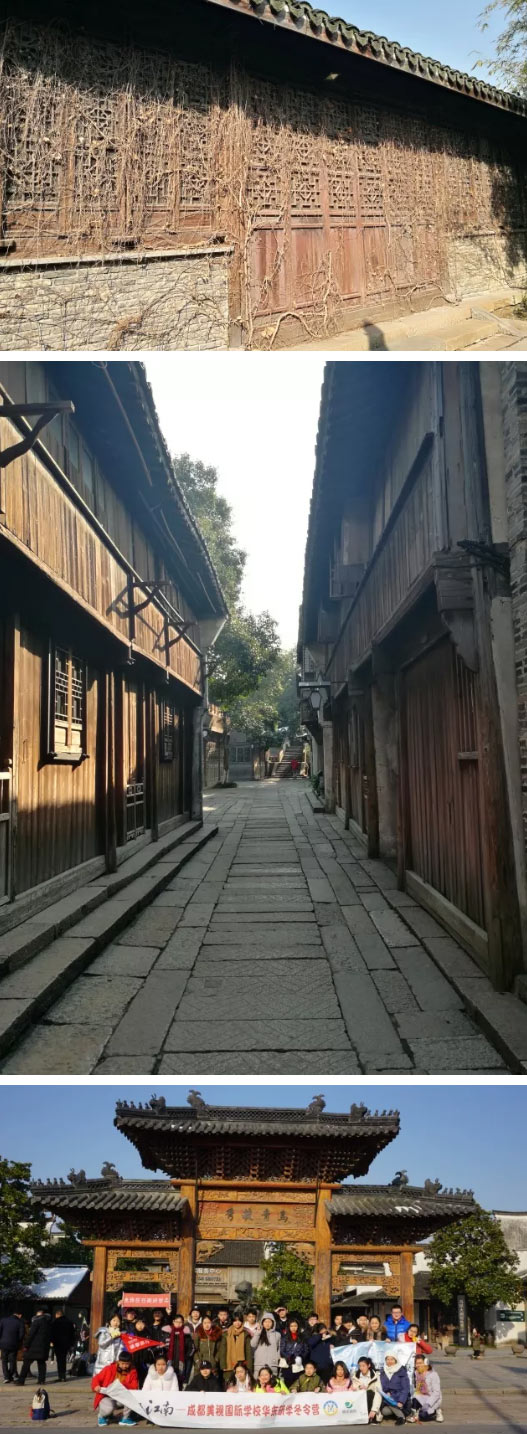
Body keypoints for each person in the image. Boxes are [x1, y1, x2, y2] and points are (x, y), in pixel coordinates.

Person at [92, 1349, 139, 1427]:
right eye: (122, 1363)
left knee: (132, 1397)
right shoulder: (109, 1369)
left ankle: (125, 1418)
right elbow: (96, 1378)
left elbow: (134, 1387)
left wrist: (123, 1385)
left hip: (121, 1396)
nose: (124, 1366)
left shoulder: (133, 1371)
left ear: (130, 1363)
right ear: (118, 1362)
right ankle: (101, 1416)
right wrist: (96, 1386)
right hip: (107, 1396)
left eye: (127, 1364)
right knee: (109, 1408)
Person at [16, 1308, 52, 1386]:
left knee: (26, 1363)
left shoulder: (36, 1322)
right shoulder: (48, 1323)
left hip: (33, 1347)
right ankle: (41, 1380)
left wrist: (26, 1345)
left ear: (38, 1314)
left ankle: (21, 1380)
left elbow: (31, 1335)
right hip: (43, 1347)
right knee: (41, 1364)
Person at [218, 1313, 253, 1384]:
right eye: (235, 1321)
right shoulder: (226, 1334)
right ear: (232, 1322)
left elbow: (248, 1352)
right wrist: (223, 1365)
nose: (237, 1323)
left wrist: (249, 1367)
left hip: (241, 1364)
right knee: (229, 1384)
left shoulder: (246, 1334)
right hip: (228, 1364)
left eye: (239, 1320)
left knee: (241, 1384)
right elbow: (223, 1351)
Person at [380, 1350, 411, 1424]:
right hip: (388, 1399)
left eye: (392, 1359)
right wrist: (386, 1392)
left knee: (392, 1402)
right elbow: (382, 1386)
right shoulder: (383, 1372)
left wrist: (401, 1401)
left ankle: (401, 1417)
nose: (390, 1361)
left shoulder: (401, 1371)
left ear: (396, 1360)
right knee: (384, 1411)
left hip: (400, 1398)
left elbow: (405, 1389)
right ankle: (399, 1412)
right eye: (388, 1359)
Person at [409, 1356, 443, 1423]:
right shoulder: (416, 1373)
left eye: (420, 1363)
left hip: (433, 1399)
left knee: (423, 1416)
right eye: (417, 1363)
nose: (418, 1365)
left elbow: (437, 1393)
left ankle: (437, 1411)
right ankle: (415, 1415)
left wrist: (428, 1403)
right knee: (414, 1397)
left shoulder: (433, 1374)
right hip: (423, 1396)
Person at [351, 1356, 383, 1422]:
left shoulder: (375, 1376)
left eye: (363, 1366)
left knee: (369, 1392)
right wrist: (359, 1388)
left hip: (371, 1402)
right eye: (360, 1366)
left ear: (369, 1365)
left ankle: (371, 1415)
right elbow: (354, 1391)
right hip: (359, 1401)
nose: (361, 1368)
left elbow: (378, 1393)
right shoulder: (355, 1376)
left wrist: (374, 1410)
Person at [251, 1313, 281, 1379]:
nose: (267, 1324)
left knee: (272, 1383)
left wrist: (277, 1358)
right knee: (259, 1383)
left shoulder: (277, 1335)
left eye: (269, 1322)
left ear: (273, 1323)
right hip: (259, 1364)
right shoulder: (258, 1333)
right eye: (265, 1322)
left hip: (272, 1364)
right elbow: (253, 1344)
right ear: (262, 1323)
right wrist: (258, 1333)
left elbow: (279, 1349)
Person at [168, 1314, 195, 1386]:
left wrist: (187, 1357)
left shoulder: (186, 1334)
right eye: (176, 1321)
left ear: (183, 1323)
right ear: (173, 1322)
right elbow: (164, 1346)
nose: (178, 1323)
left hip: (182, 1361)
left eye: (180, 1322)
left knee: (180, 1380)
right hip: (171, 1361)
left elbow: (192, 1347)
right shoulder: (168, 1333)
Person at [0, 1309, 25, 1384]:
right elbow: (21, 1334)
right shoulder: (20, 1322)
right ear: (19, 1315)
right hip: (14, 1344)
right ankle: (10, 1375)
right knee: (12, 1360)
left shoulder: (3, 1320)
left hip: (3, 1344)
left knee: (4, 1360)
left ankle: (6, 1377)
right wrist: (18, 1341)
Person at [51, 1308, 76, 1382]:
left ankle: (60, 1376)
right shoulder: (69, 1322)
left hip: (58, 1343)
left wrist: (51, 1341)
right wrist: (71, 1343)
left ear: (57, 1315)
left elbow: (52, 1333)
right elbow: (72, 1334)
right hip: (66, 1344)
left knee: (59, 1360)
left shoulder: (55, 1322)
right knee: (63, 1359)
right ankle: (63, 1376)